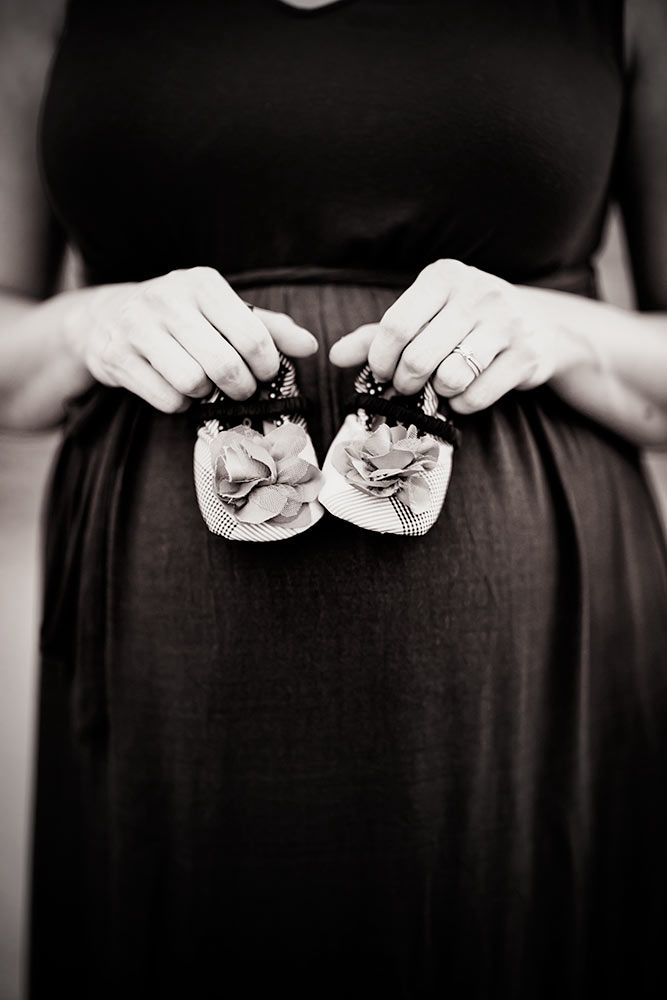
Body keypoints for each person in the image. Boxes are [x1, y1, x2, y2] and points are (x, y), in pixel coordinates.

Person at [2, 0, 667, 996]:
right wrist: (82, 328)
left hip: (531, 676)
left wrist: (564, 330)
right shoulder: (34, 11)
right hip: (165, 674)